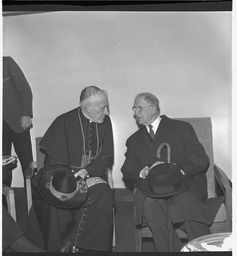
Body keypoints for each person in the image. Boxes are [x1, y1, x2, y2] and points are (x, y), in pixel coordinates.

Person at [121, 92, 223, 252]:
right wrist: (145, 171)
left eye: (139, 108)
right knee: (150, 203)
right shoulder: (134, 140)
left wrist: (179, 169)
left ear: (154, 108)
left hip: (187, 184)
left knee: (182, 201)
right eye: (134, 108)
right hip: (154, 189)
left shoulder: (181, 128)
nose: (135, 113)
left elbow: (201, 158)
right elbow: (127, 168)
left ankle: (203, 250)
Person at [28, 86, 114, 252]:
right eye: (102, 107)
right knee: (57, 197)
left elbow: (106, 157)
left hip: (90, 175)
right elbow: (52, 165)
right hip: (61, 177)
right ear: (87, 107)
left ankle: (86, 245)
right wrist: (77, 181)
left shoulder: (105, 122)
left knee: (104, 194)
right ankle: (60, 244)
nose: (106, 112)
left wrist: (88, 172)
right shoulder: (63, 122)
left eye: (106, 106)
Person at [2, 56, 33, 187]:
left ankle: (32, 198)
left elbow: (25, 89)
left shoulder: (6, 62)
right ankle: (3, 203)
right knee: (2, 165)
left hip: (18, 121)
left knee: (27, 163)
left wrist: (26, 114)